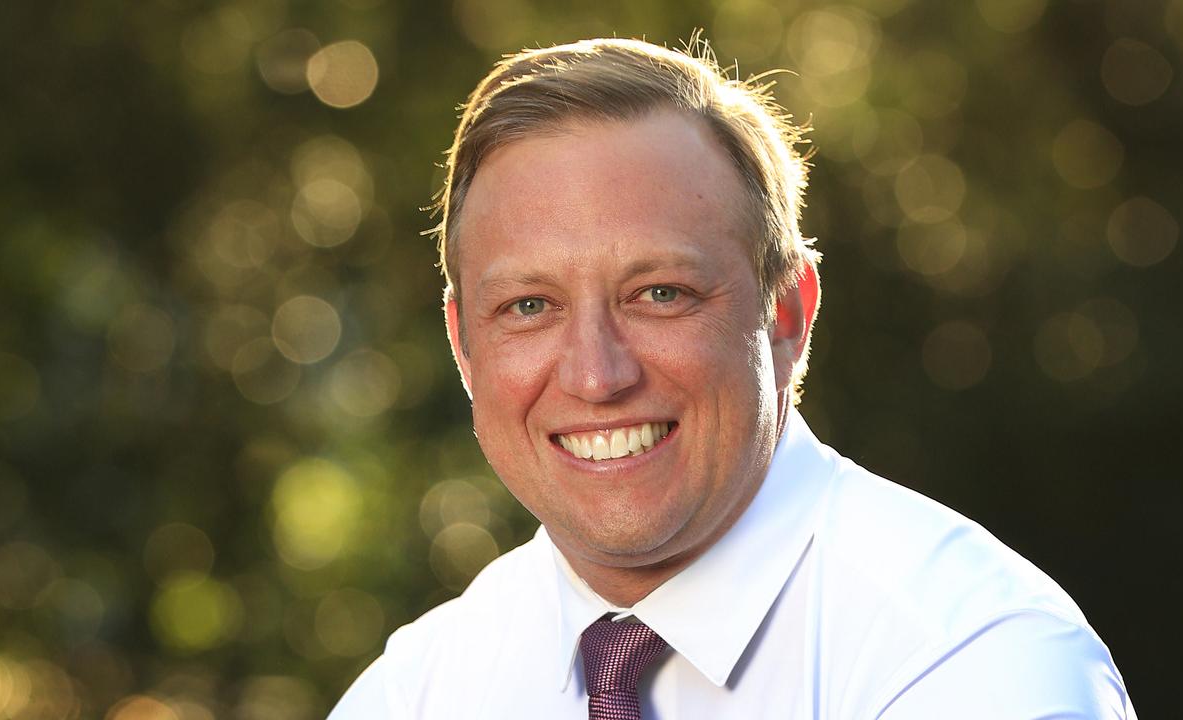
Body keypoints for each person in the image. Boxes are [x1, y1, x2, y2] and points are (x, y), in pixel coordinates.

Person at [329, 37, 1137, 719]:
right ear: (463, 345)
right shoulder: (414, 693)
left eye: (659, 294)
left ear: (787, 315)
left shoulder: (976, 661)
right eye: (529, 305)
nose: (596, 374)